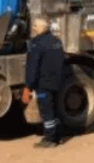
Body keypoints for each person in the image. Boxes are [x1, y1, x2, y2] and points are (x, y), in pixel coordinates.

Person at [25, 16, 65, 148]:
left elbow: (33, 67)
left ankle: (49, 139)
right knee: (55, 109)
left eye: (35, 26)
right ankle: (58, 136)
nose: (33, 28)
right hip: (57, 82)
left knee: (46, 112)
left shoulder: (37, 44)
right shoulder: (57, 41)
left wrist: (29, 85)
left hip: (43, 83)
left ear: (42, 28)